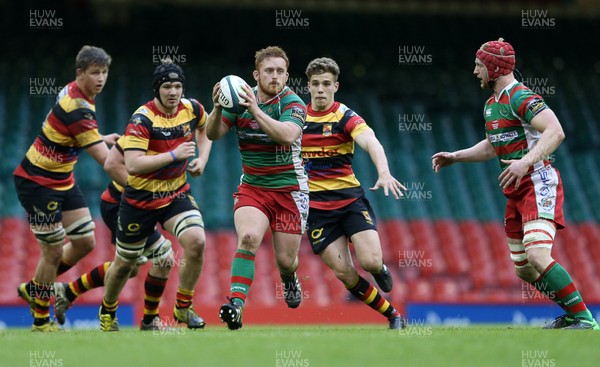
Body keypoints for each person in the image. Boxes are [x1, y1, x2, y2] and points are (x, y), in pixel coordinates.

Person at [432, 38, 599, 330]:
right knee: (523, 268)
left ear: (494, 68)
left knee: (537, 254)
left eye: (479, 65)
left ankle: (585, 318)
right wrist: (455, 156)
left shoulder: (521, 97)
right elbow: (492, 145)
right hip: (514, 191)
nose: (475, 72)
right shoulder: (491, 105)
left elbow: (555, 131)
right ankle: (572, 313)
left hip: (537, 182)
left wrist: (526, 162)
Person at [98, 58, 212, 331]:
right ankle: (107, 310)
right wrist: (174, 154)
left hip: (175, 193)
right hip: (140, 201)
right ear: (156, 90)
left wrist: (203, 159)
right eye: (167, 87)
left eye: (177, 86)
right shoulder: (142, 119)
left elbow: (204, 129)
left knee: (196, 241)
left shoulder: (192, 108)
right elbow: (134, 164)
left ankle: (182, 308)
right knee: (125, 264)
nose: (173, 92)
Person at [13, 45, 119, 332]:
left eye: (105, 72)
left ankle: (36, 287)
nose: (100, 78)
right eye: (95, 72)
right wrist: (140, 169)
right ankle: (40, 320)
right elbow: (105, 162)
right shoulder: (78, 108)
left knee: (86, 242)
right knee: (52, 251)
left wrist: (100, 137)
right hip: (36, 182)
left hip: (61, 179)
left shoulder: (74, 92)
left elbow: (77, 131)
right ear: (80, 73)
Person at [205, 46, 308, 330]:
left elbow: (287, 136)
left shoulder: (293, 102)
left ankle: (289, 279)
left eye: (280, 72)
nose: (275, 77)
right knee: (248, 238)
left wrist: (254, 109)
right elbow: (213, 133)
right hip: (253, 187)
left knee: (286, 261)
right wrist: (216, 108)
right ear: (256, 74)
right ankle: (236, 306)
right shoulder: (238, 99)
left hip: (289, 191)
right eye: (269, 71)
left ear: (287, 75)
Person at [302, 57, 406, 330]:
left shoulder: (345, 116)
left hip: (349, 202)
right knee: (345, 274)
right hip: (316, 211)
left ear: (336, 86)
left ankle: (379, 268)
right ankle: (393, 315)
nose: (321, 89)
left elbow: (371, 142)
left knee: (370, 262)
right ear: (308, 87)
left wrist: (383, 172)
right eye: (315, 84)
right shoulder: (297, 119)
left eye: (326, 84)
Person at [53, 139, 178, 331]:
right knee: (163, 259)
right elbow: (111, 163)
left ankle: (69, 291)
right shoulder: (143, 127)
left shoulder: (177, 127)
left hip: (135, 205)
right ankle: (146, 320)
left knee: (130, 266)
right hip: (123, 205)